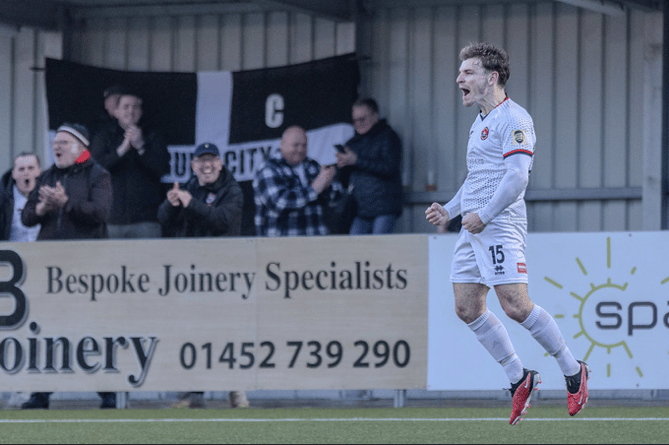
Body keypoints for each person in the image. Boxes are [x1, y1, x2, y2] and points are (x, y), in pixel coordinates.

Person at [425, 43, 589, 425]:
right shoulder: (480, 121)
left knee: (515, 305)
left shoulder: (514, 119)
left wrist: (484, 215)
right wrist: (450, 210)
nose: (458, 79)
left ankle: (572, 370)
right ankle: (519, 378)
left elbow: (517, 177)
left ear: (492, 77)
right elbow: (479, 180)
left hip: (499, 224)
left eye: (467, 72)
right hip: (475, 224)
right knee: (466, 307)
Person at [21, 123, 117, 409]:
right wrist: (41, 209)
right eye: (55, 142)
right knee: (46, 329)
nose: (56, 147)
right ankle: (41, 394)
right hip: (49, 266)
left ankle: (108, 393)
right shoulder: (48, 175)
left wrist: (66, 203)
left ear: (80, 147)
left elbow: (100, 213)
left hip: (87, 267)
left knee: (93, 329)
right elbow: (27, 216)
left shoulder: (98, 174)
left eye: (63, 142)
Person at [158, 142, 249, 409]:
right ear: (193, 165)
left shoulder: (233, 190)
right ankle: (191, 393)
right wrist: (171, 204)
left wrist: (190, 203)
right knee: (191, 331)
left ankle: (236, 391)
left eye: (211, 160)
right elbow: (165, 220)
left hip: (224, 273)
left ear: (220, 163)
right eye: (201, 161)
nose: (206, 165)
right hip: (193, 273)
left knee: (227, 333)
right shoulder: (188, 188)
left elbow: (221, 221)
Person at [89, 91, 169, 239]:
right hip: (111, 220)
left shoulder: (153, 136)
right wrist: (121, 150)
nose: (130, 111)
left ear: (141, 112)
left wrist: (141, 147)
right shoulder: (104, 136)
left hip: (146, 220)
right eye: (125, 107)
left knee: (148, 262)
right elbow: (94, 169)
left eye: (135, 107)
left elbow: (162, 169)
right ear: (116, 112)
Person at [253, 126, 339, 237]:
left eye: (304, 145)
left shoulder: (312, 165)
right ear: (282, 144)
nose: (300, 149)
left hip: (316, 240)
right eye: (295, 145)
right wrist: (315, 188)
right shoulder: (268, 168)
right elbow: (280, 202)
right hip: (281, 244)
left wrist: (327, 186)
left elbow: (335, 199)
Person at [335, 98, 402, 234]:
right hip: (359, 209)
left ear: (375, 116)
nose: (358, 124)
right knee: (356, 249)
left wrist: (356, 160)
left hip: (384, 208)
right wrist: (342, 165)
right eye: (355, 121)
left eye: (362, 119)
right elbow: (344, 180)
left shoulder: (389, 137)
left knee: (379, 249)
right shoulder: (352, 143)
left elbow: (390, 168)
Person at [0, 153, 42, 242]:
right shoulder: (3, 200)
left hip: (42, 252)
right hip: (12, 253)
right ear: (14, 174)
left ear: (39, 171)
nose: (26, 172)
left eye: (31, 168)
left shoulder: (48, 197)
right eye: (21, 169)